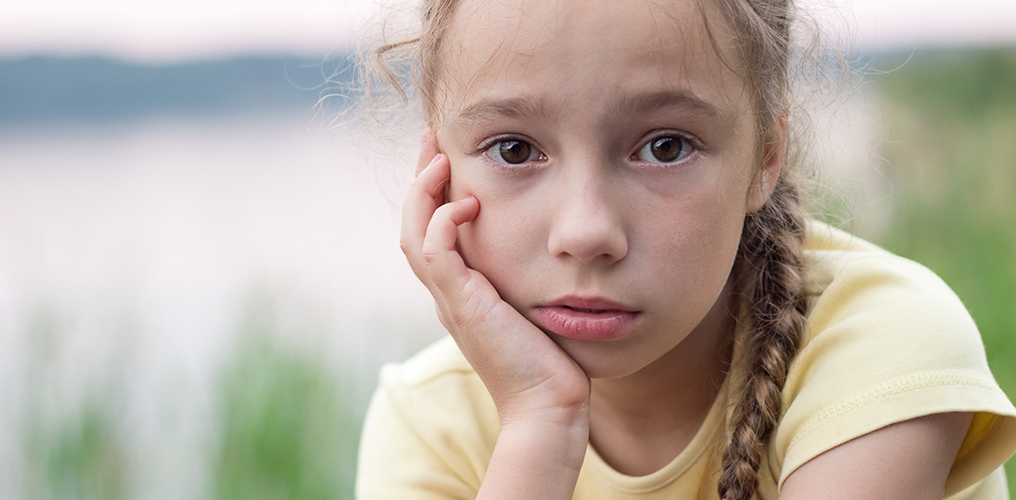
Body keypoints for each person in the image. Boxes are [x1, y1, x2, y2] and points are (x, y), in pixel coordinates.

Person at [353, 0, 1016, 498]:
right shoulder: (428, 422)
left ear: (767, 154)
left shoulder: (884, 349)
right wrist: (540, 427)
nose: (585, 231)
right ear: (438, 168)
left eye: (665, 146)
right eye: (515, 149)